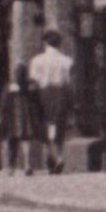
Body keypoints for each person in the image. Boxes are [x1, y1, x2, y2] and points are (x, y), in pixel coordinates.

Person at [24, 33, 78, 176]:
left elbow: (33, 82)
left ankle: (57, 158)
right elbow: (69, 83)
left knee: (45, 128)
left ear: (45, 43)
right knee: (58, 128)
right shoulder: (67, 61)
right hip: (61, 94)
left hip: (44, 95)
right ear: (59, 44)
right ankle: (52, 161)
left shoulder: (37, 61)